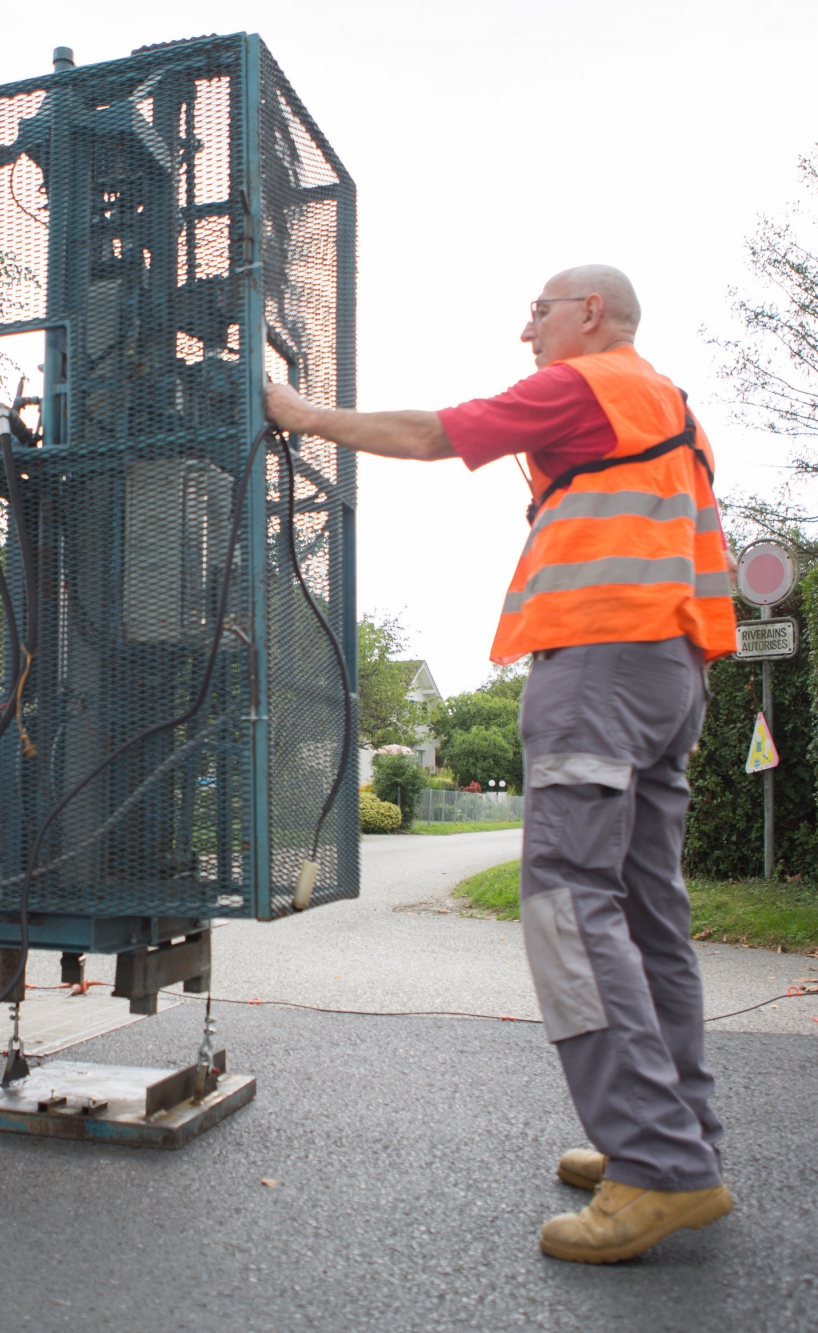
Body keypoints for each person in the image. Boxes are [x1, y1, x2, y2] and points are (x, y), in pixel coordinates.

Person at [265, 265, 738, 1265]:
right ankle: (676, 1136)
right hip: (669, 670)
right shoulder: (672, 410)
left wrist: (299, 413)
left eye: (537, 310)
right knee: (649, 909)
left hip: (598, 663)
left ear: (590, 314)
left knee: (565, 896)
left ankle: (652, 1161)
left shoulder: (584, 384)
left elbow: (435, 434)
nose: (524, 329)